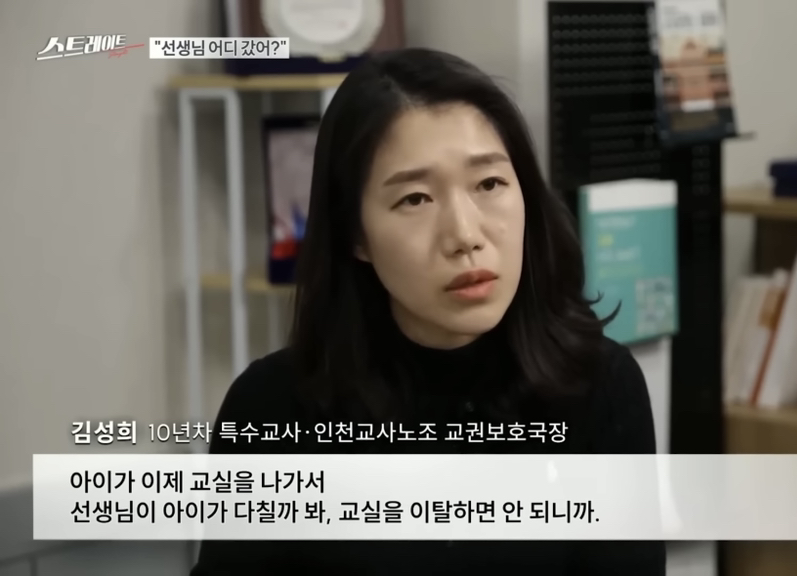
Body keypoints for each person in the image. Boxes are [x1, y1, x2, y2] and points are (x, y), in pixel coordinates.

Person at [190, 47, 666, 575]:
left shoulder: (599, 386)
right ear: (355, 235)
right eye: (415, 199)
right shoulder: (271, 410)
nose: (465, 235)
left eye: (489, 184)